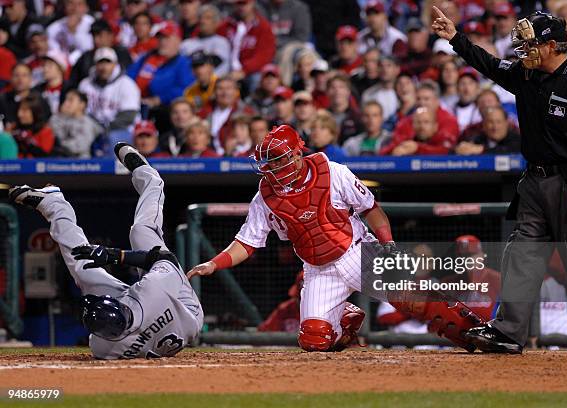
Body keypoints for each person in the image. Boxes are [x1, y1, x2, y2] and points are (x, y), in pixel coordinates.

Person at [433, 7, 567, 360]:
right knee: (522, 256)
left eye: (531, 43)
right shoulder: (525, 75)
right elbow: (488, 64)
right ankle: (508, 332)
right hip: (534, 180)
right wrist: (456, 38)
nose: (523, 49)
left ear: (553, 45)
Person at [185, 124, 391, 351]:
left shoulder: (333, 172)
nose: (271, 167)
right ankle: (345, 320)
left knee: (418, 298)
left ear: (296, 154)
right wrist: (214, 264)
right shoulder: (264, 197)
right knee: (314, 339)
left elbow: (370, 208)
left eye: (277, 159)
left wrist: (387, 242)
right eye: (268, 161)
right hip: (319, 268)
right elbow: (246, 242)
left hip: (357, 251)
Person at [9, 143, 203, 359]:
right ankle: (150, 178)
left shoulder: (103, 346)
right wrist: (116, 255)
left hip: (153, 322)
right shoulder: (153, 290)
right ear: (119, 305)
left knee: (84, 270)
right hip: (185, 309)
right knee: (141, 230)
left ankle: (54, 205)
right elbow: (164, 257)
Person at [79, 47, 141, 154]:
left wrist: (105, 128)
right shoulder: (86, 84)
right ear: (95, 65)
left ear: (115, 64)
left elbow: (129, 116)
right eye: (100, 63)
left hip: (121, 129)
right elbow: (81, 111)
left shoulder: (127, 84)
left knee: (114, 139)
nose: (104, 67)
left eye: (107, 63)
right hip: (93, 127)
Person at [127, 20, 194, 109]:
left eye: (166, 38)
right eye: (160, 38)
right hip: (135, 102)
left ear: (178, 40)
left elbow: (185, 89)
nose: (162, 42)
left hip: (165, 109)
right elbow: (129, 75)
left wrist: (159, 99)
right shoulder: (148, 57)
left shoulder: (183, 63)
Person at [217, 0, 275, 90]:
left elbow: (264, 55)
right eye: (238, 4)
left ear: (252, 3)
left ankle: (253, 102)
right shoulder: (226, 25)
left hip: (250, 71)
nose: (241, 7)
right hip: (227, 68)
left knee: (256, 79)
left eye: (244, 3)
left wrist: (244, 70)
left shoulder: (263, 26)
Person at [69, 19, 133, 88]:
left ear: (110, 35)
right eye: (93, 36)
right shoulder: (86, 57)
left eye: (100, 35)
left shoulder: (122, 54)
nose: (96, 40)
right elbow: (73, 81)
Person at [179, 4, 230, 76]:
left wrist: (192, 59)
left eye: (208, 18)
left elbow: (215, 63)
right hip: (191, 84)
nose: (203, 21)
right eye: (200, 18)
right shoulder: (186, 43)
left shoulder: (221, 42)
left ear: (216, 23)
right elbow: (180, 66)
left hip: (215, 83)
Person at [50, 89, 102, 158]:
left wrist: (60, 145)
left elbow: (80, 147)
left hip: (82, 163)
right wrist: (60, 115)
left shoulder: (87, 122)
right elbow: (52, 131)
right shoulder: (61, 119)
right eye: (65, 100)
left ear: (82, 104)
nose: (66, 103)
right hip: (63, 161)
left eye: (70, 100)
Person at [455, 107, 521, 155]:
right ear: (484, 125)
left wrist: (481, 150)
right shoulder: (477, 139)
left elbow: (509, 150)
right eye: (490, 122)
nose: (495, 127)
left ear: (507, 123)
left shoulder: (517, 140)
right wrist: (461, 149)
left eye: (498, 122)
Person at [45, 0, 94, 65]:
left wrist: (73, 33)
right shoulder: (53, 28)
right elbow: (53, 52)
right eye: (71, 4)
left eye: (79, 4)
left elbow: (88, 49)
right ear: (65, 7)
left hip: (87, 63)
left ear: (86, 7)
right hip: (63, 65)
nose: (75, 8)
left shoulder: (92, 23)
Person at [12, 93, 54, 157]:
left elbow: (45, 157)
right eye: (19, 110)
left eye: (24, 111)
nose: (19, 114)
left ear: (35, 112)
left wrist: (27, 142)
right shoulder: (14, 129)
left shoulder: (45, 131)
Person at [361, 56, 400, 121]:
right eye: (381, 66)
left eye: (389, 66)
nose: (385, 69)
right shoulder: (368, 94)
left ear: (397, 69)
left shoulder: (404, 92)